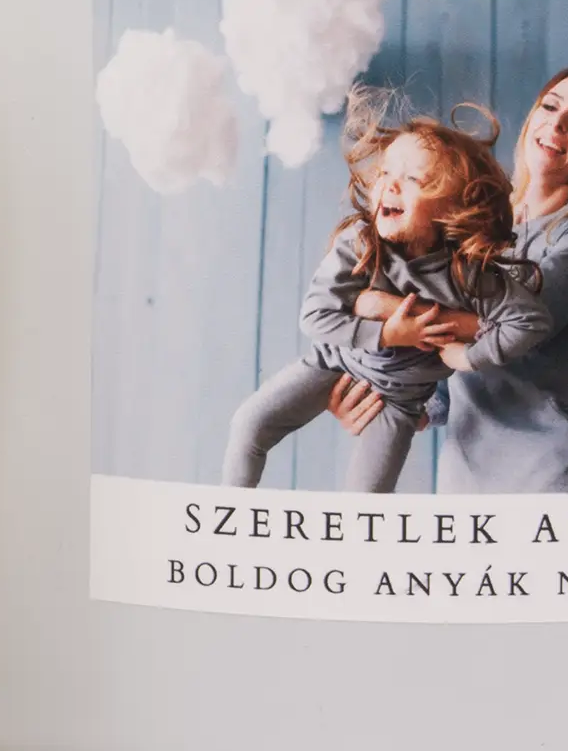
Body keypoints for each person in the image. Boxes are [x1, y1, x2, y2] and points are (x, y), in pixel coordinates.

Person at [328, 64, 568, 494]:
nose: (557, 124)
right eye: (550, 106)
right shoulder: (479, 224)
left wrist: (377, 306)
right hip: (463, 484)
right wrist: (380, 402)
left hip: (548, 478)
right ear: (531, 120)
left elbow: (528, 324)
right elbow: (445, 374)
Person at [222, 106, 548, 495]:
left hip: (399, 400)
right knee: (249, 423)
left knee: (367, 499)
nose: (390, 185)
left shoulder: (469, 273)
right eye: (385, 173)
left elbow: (531, 322)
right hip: (334, 363)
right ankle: (231, 508)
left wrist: (467, 357)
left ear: (452, 207)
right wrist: (388, 334)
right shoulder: (361, 244)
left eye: (413, 179)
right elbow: (315, 317)